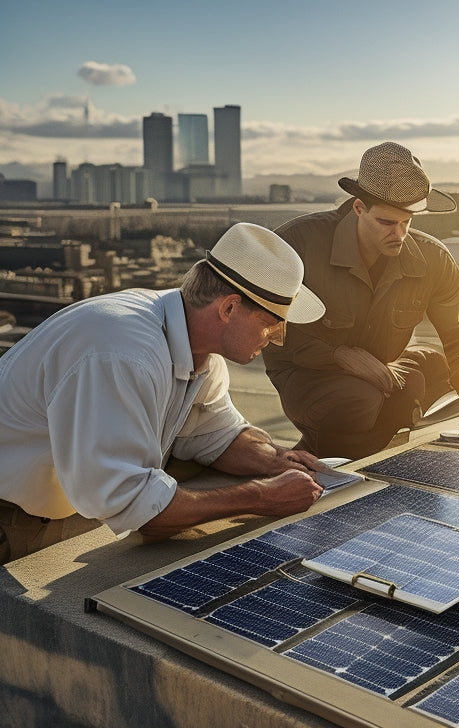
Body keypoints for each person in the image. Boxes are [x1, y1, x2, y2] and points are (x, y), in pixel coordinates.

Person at [0, 223, 328, 565]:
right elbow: (132, 500)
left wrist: (275, 460)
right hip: (12, 525)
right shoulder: (122, 354)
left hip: (69, 507)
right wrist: (263, 497)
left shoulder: (196, 347)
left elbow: (213, 432)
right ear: (229, 308)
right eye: (273, 322)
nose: (278, 338)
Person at [262, 141, 459, 460]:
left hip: (382, 368)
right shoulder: (298, 244)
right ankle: (336, 475)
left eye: (407, 222)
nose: (399, 234)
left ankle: (343, 455)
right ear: (358, 207)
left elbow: (458, 334)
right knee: (361, 398)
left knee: (439, 369)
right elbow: (266, 330)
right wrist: (340, 356)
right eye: (387, 223)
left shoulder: (433, 259)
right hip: (307, 372)